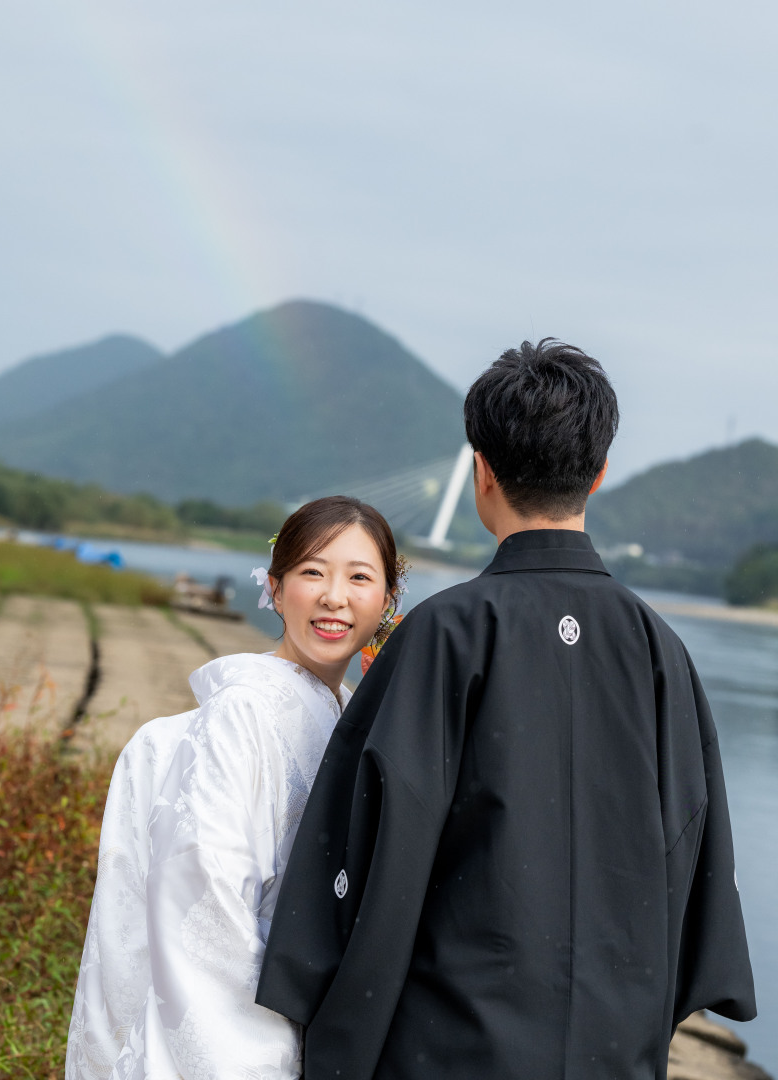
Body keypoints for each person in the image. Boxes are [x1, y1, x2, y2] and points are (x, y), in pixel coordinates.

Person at [257, 340, 757, 1080]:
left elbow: (373, 843)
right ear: (599, 473)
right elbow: (694, 851)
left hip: (448, 1044)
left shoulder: (444, 632)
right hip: (611, 1047)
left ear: (481, 471)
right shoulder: (660, 649)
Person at [66, 496, 403, 1080]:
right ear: (275, 588)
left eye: (359, 578)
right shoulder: (242, 712)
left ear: (387, 601)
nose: (334, 597)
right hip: (242, 1034)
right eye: (312, 572)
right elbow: (206, 900)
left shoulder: (353, 717)